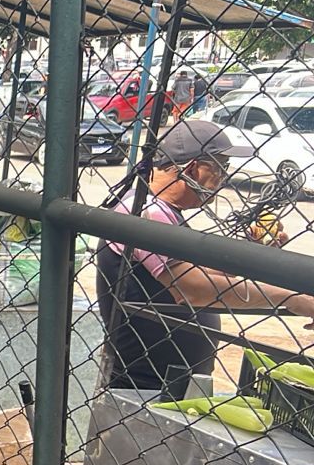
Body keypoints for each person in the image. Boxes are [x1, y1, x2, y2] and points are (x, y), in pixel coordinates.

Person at [96, 120, 314, 392]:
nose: (224, 179)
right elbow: (194, 288)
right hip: (145, 383)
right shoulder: (147, 212)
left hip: (163, 379)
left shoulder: (159, 210)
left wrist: (255, 254)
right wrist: (291, 298)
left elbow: (202, 272)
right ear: (192, 169)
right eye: (221, 168)